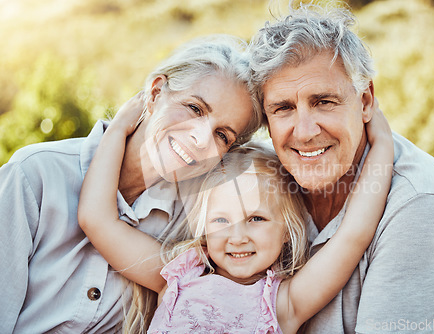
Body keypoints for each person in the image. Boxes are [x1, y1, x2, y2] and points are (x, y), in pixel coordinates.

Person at [0, 35, 263, 333]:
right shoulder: (35, 175)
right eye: (194, 108)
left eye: (222, 135)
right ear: (155, 92)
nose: (201, 139)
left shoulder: (196, 222)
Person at [77, 91, 393, 333]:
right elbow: (97, 220)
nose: (237, 237)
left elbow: (353, 235)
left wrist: (382, 145)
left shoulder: (284, 302)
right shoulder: (179, 274)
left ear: (287, 230)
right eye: (220, 221)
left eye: (256, 219)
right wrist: (118, 129)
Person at [249, 3, 434, 333]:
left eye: (323, 101)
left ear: (365, 102)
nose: (305, 132)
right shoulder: (254, 185)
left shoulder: (419, 200)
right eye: (283, 108)